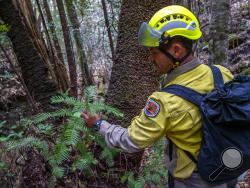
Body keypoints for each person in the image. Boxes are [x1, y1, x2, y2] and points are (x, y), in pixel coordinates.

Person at [82, 5, 233, 188]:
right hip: (229, 170)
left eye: (154, 52)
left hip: (194, 180)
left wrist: (98, 124)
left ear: (176, 51)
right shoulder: (222, 73)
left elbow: (132, 140)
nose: (151, 59)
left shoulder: (164, 101)